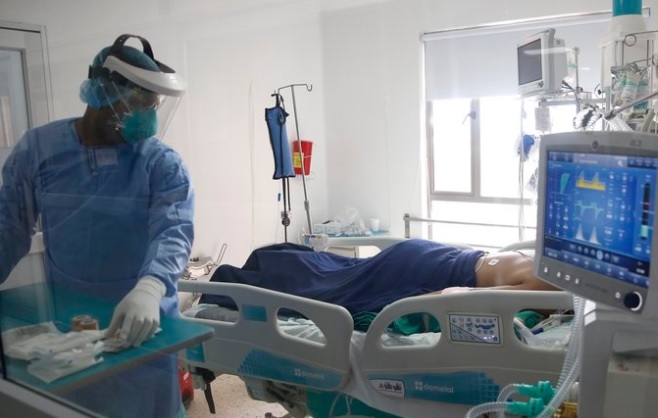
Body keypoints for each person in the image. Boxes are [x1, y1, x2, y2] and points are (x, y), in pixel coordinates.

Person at [0, 34, 194, 418]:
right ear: (104, 93)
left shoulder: (161, 163)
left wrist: (151, 287)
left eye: (154, 106)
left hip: (143, 319)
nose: (150, 118)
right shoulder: (39, 150)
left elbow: (173, 231)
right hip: (71, 321)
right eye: (141, 105)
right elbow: (10, 226)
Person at [199, 239, 558, 315]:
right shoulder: (552, 289)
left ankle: (268, 264)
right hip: (427, 272)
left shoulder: (550, 261)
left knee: (340, 274)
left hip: (430, 253)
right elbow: (456, 296)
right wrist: (403, 308)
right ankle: (233, 283)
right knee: (334, 294)